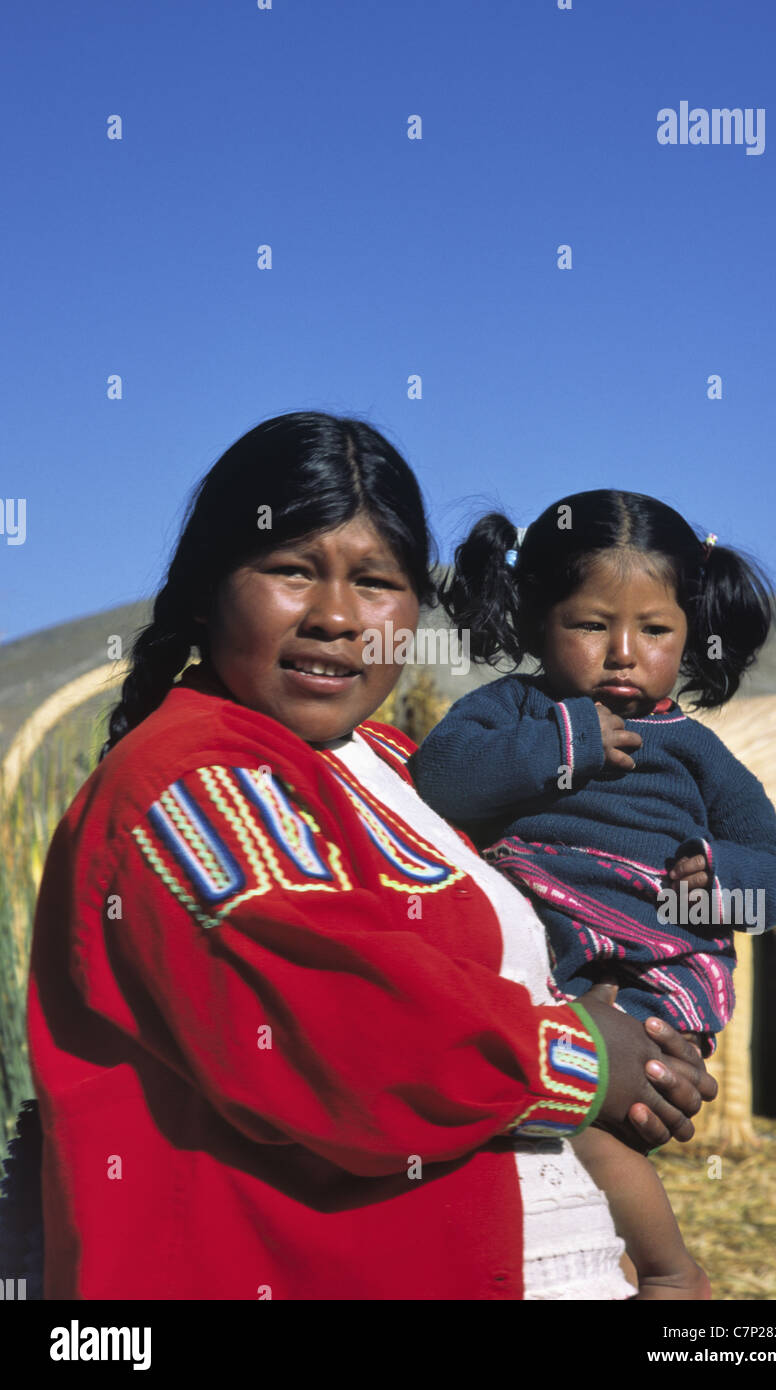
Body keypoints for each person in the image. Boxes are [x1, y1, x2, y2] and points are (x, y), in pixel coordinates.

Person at [26, 424, 716, 1301]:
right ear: (208, 591)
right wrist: (582, 1057)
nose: (339, 618)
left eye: (378, 582)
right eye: (292, 570)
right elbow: (343, 1030)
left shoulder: (389, 764)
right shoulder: (188, 782)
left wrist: (645, 1048)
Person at [410, 492, 776, 1299]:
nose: (623, 653)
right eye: (592, 625)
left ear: (690, 633)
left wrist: (726, 880)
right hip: (544, 968)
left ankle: (671, 1273)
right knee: (563, 1145)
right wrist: (563, 744)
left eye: (654, 631)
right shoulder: (513, 711)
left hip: (653, 967)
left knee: (588, 1134)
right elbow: (439, 782)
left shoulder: (695, 751)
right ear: (535, 622)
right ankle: (623, 1267)